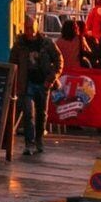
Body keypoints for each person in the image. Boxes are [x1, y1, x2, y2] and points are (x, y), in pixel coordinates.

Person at [8, 15, 60, 157]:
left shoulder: (46, 43)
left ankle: (39, 140)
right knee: (28, 113)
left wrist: (51, 78)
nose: (29, 31)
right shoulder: (19, 45)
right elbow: (12, 63)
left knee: (42, 114)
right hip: (27, 83)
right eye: (26, 28)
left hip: (43, 83)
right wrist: (15, 82)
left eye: (31, 28)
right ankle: (29, 144)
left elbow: (58, 61)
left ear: (36, 27)